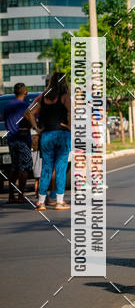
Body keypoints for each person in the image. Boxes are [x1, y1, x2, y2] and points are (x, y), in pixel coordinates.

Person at [26, 72, 71, 210]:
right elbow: (73, 113)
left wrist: (36, 128)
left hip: (46, 136)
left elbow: (28, 113)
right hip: (62, 134)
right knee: (60, 169)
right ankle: (59, 201)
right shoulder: (65, 97)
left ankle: (41, 202)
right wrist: (69, 126)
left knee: (46, 168)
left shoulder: (42, 98)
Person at [2, 82, 33, 203]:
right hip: (23, 140)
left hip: (11, 139)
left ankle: (11, 195)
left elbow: (6, 123)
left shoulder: (8, 106)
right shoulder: (25, 106)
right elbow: (30, 121)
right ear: (25, 92)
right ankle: (21, 195)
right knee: (24, 169)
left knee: (14, 168)